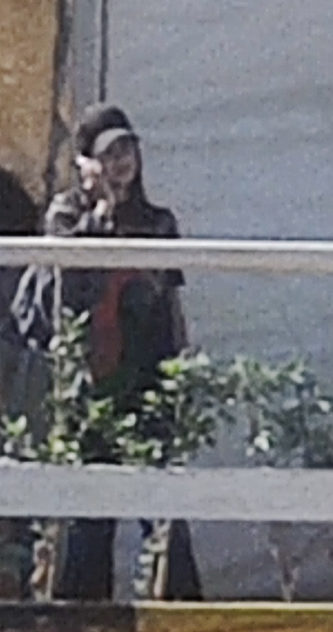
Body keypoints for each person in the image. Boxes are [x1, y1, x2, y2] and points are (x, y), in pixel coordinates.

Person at [23, 108, 204, 602]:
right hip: (93, 383)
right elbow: (66, 286)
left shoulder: (158, 222)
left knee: (162, 513)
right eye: (108, 154)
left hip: (148, 379)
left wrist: (182, 371)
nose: (121, 162)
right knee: (89, 519)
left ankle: (177, 613)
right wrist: (100, 215)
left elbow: (170, 303)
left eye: (127, 150)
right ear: (85, 163)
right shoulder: (65, 217)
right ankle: (84, 615)